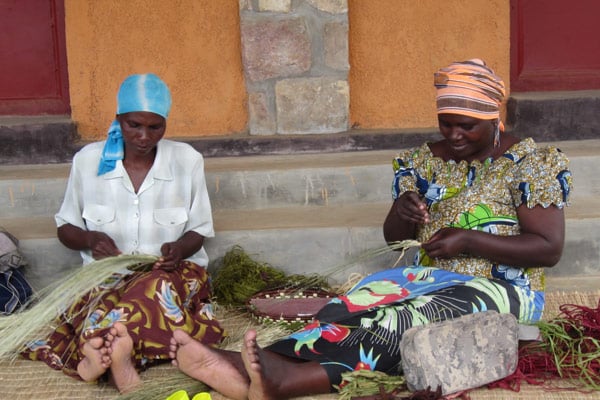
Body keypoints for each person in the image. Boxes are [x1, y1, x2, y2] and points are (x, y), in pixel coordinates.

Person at [168, 59, 573, 400]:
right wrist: (403, 211)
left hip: (504, 291)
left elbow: (548, 248)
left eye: (466, 126)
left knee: (406, 321)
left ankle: (286, 380)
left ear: (493, 117)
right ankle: (256, 365)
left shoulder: (531, 163)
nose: (453, 135)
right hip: (426, 277)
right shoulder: (422, 161)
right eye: (445, 124)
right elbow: (395, 239)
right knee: (348, 308)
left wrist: (467, 239)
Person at [21, 73, 225, 393]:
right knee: (94, 300)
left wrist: (179, 248)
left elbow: (198, 230)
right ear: (118, 119)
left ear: (165, 123)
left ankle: (107, 354)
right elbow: (66, 227)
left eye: (154, 126)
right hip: (106, 274)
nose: (144, 136)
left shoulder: (187, 160)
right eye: (134, 125)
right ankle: (113, 353)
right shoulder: (88, 161)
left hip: (171, 273)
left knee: (150, 292)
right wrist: (89, 240)